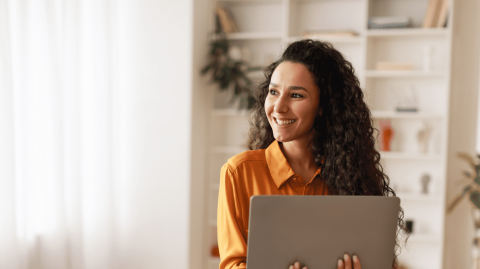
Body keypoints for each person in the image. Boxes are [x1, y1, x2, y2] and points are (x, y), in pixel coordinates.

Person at [217, 39, 404, 269]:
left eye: (296, 96)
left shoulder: (350, 177)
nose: (278, 107)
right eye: (274, 92)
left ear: (324, 106)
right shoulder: (239, 173)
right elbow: (231, 265)